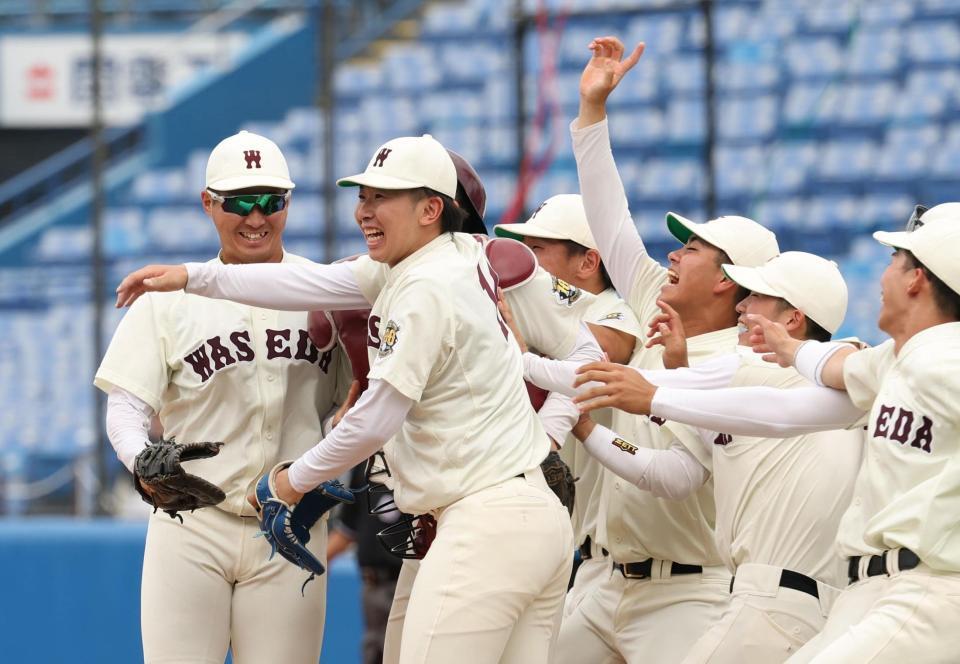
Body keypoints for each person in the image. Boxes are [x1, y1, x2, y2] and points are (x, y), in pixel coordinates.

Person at [114, 134, 599, 663]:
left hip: (481, 515)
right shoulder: (454, 258)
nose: (363, 211)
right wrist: (191, 276)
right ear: (208, 203)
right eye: (362, 196)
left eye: (380, 198)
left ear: (432, 209)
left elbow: (372, 418)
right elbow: (304, 285)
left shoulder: (424, 288)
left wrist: (290, 482)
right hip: (496, 512)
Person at [576, 204, 960, 663]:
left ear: (916, 278)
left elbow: (774, 405)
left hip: (914, 586)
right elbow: (806, 392)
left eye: (896, 260)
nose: (742, 304)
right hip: (863, 591)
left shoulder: (942, 361)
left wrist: (655, 392)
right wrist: (791, 348)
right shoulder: (884, 361)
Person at [548, 35, 781, 663]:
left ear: (728, 279)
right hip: (597, 580)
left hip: (687, 593)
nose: (671, 256)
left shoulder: (748, 361)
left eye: (691, 249)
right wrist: (592, 113)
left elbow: (675, 480)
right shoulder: (658, 301)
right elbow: (610, 218)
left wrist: (593, 426)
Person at [542, 252, 863, 662]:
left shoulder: (751, 368)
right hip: (778, 597)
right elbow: (675, 470)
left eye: (755, 296)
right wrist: (592, 426)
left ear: (793, 320)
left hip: (754, 599)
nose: (742, 307)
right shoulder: (833, 382)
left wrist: (515, 356)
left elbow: (646, 393)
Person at [94, 130, 342, 663]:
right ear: (208, 204)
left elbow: (359, 400)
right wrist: (140, 457)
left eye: (270, 201)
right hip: (192, 523)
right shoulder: (168, 299)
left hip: (290, 522)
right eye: (239, 202)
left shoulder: (325, 291)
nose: (256, 217)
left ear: (289, 203)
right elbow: (126, 407)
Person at [493, 193, 642, 613]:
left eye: (537, 249)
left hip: (615, 559)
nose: (526, 262)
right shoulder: (530, 314)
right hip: (572, 551)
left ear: (588, 262)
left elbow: (604, 350)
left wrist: (521, 352)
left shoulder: (619, 310)